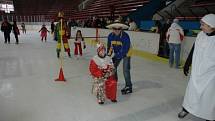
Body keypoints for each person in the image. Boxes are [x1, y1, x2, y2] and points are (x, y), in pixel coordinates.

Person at [178, 14, 215, 121]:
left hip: (211, 75)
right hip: (196, 72)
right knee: (191, 92)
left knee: (208, 96)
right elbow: (193, 50)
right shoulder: (200, 35)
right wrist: (187, 64)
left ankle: (209, 115)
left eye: (203, 25)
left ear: (211, 26)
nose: (200, 27)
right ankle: (187, 108)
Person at [106, 20, 133, 95]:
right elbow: (110, 47)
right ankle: (114, 81)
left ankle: (128, 86)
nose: (117, 30)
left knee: (125, 70)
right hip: (118, 53)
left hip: (127, 53)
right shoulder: (110, 36)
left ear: (121, 29)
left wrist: (116, 56)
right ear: (112, 29)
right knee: (113, 66)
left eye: (118, 29)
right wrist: (108, 56)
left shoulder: (125, 36)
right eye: (115, 28)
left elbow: (125, 49)